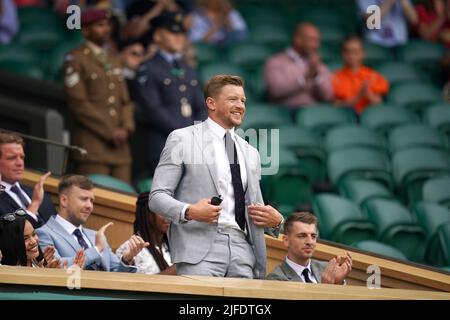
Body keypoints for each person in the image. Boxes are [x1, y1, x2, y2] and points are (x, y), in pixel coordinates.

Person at [149, 74, 284, 279]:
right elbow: (157, 197)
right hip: (199, 249)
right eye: (233, 99)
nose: (240, 105)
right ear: (211, 103)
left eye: (243, 100)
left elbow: (254, 210)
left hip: (243, 252)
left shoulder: (251, 152)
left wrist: (276, 222)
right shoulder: (182, 138)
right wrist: (190, 211)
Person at [63, 7, 135, 184]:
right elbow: (79, 103)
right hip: (92, 146)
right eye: (99, 25)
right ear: (85, 30)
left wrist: (126, 127)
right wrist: (109, 130)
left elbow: (125, 101)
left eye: (107, 25)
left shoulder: (113, 59)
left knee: (123, 201)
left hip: (120, 149)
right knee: (91, 197)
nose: (106, 29)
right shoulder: (75, 59)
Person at [131, 10, 206, 177]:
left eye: (181, 33)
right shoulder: (148, 68)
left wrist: (197, 134)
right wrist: (187, 136)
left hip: (191, 149)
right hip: (163, 146)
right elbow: (153, 110)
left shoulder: (188, 69)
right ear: (157, 36)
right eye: (173, 33)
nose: (179, 38)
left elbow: (201, 106)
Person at [36, 174, 148, 272]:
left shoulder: (95, 235)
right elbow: (56, 266)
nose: (89, 206)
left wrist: (127, 258)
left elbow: (116, 273)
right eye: (84, 199)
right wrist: (96, 249)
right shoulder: (44, 233)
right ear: (64, 200)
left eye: (91, 200)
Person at [267, 212, 352, 284]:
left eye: (313, 236)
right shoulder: (276, 279)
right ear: (286, 240)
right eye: (302, 236)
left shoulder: (327, 269)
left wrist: (338, 283)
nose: (309, 242)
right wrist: (325, 289)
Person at [264, 23, 334, 108]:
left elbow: (328, 97)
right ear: (298, 39)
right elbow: (276, 91)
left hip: (314, 113)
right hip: (286, 113)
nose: (316, 45)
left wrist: (316, 75)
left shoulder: (318, 65)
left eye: (317, 41)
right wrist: (305, 77)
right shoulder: (275, 62)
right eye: (312, 40)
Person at [0, 132, 56, 228]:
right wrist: (34, 204)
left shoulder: (39, 194)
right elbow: (10, 234)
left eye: (22, 157)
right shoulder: (37, 198)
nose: (20, 163)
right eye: (12, 158)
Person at [0, 209, 86, 268]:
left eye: (34, 234)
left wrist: (48, 273)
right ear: (9, 243)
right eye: (25, 239)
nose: (33, 241)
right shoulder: (4, 273)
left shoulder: (41, 266)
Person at [116, 192, 175, 274]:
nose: (168, 216)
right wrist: (173, 271)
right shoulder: (131, 248)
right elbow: (122, 281)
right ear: (147, 214)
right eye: (162, 211)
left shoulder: (172, 247)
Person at [332, 36, 389, 114]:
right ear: (342, 54)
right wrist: (359, 96)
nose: (351, 56)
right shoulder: (335, 77)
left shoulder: (373, 75)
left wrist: (368, 94)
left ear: (363, 53)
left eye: (355, 52)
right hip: (347, 117)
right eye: (347, 52)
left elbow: (379, 103)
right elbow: (336, 106)